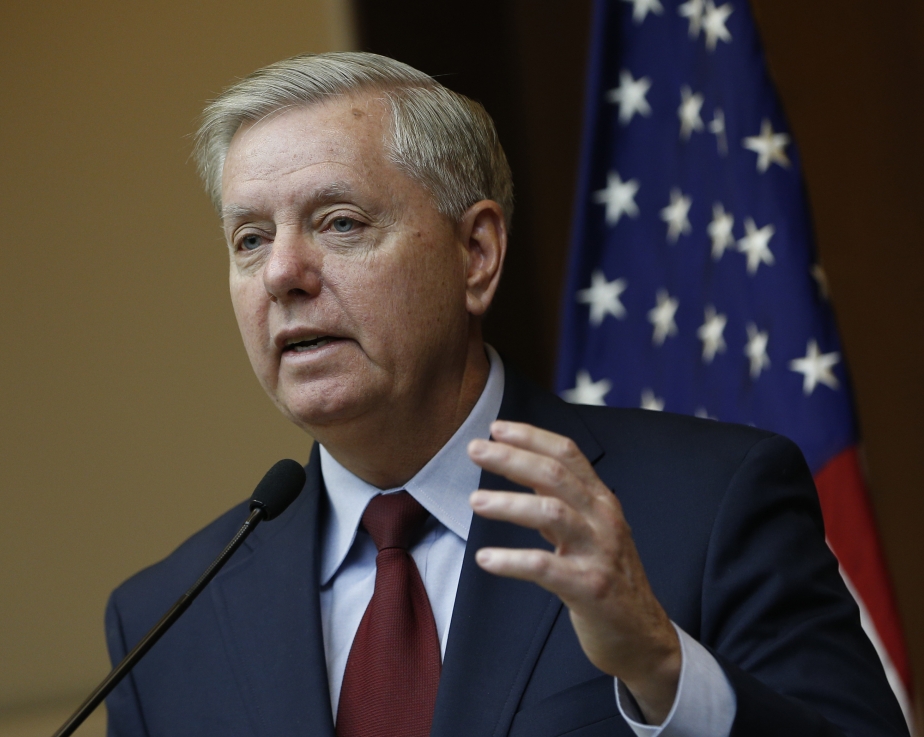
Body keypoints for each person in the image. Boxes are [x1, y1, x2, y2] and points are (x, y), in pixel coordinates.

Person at [104, 52, 908, 737]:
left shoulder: (712, 504)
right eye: (250, 239)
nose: (282, 273)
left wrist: (663, 665)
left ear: (477, 253)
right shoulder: (163, 624)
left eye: (340, 222)